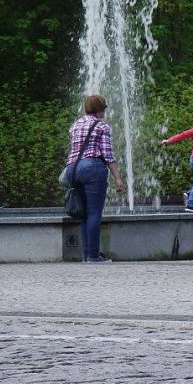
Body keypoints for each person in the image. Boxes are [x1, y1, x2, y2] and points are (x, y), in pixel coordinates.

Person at [64, 94, 124, 263]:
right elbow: (107, 155)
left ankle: (87, 254)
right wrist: (118, 178)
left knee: (84, 214)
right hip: (92, 168)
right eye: (104, 108)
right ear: (100, 109)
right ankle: (93, 255)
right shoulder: (101, 126)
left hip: (72, 169)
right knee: (94, 213)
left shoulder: (75, 125)